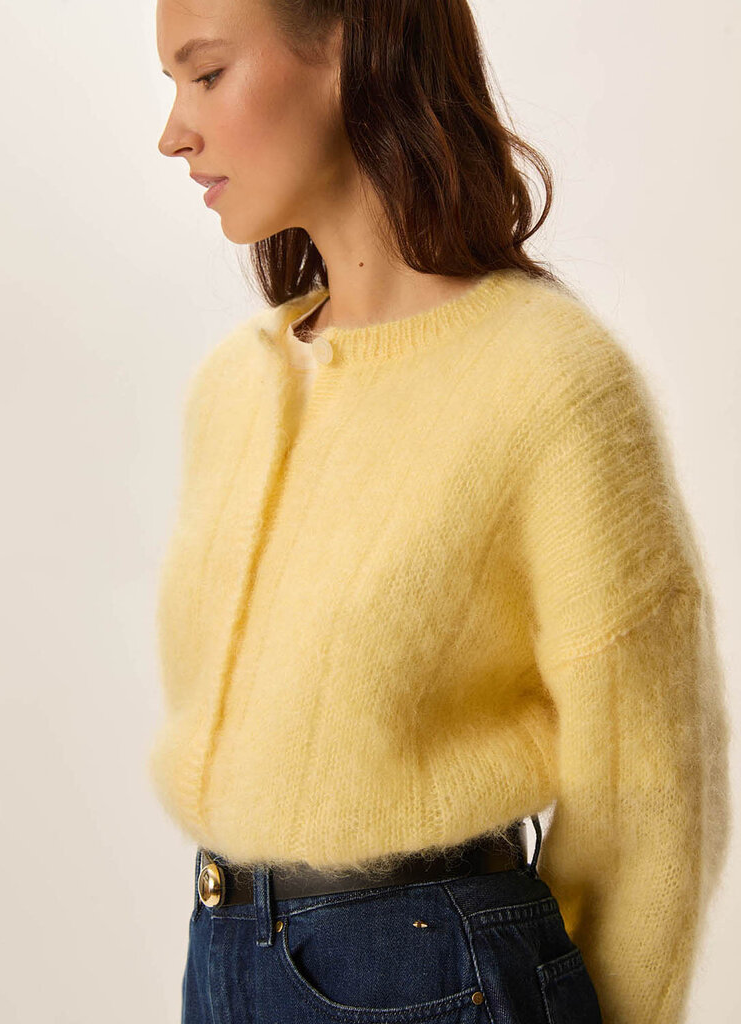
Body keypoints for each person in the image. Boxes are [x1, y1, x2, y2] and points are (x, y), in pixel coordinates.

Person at [152, 1, 731, 1022]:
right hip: (222, 950)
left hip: (431, 975)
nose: (173, 133)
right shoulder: (232, 387)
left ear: (347, 49)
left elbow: (651, 793)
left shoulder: (549, 381)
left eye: (205, 76)